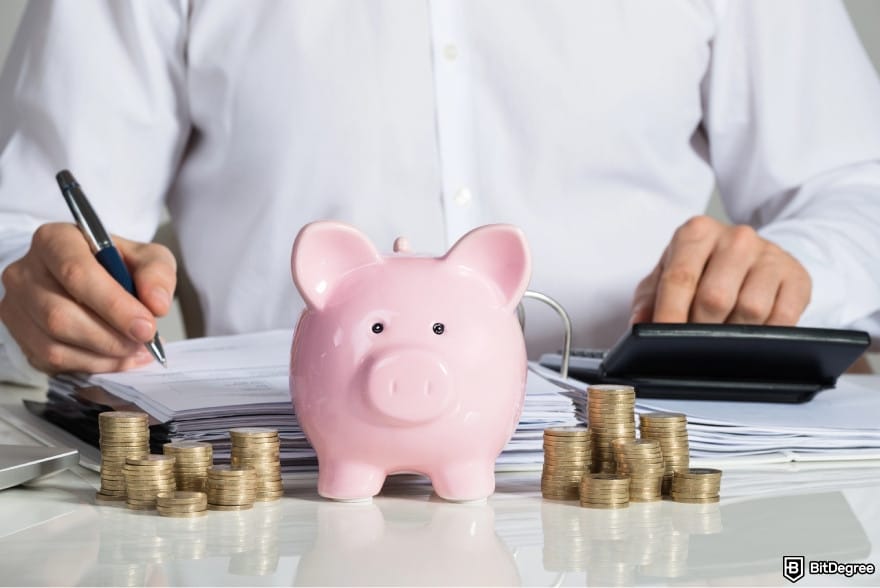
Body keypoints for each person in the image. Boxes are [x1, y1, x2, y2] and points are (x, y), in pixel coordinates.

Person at [0, 0, 879, 385]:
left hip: (640, 482)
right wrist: (41, 288)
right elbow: (26, 225)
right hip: (280, 498)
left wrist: (790, 270)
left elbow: (857, 188)